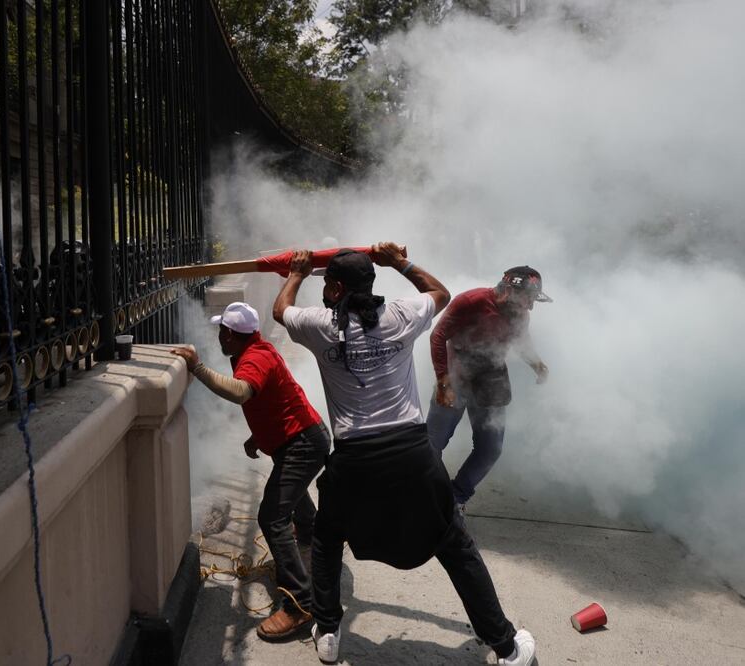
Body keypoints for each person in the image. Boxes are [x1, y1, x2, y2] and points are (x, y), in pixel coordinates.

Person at [274, 245, 536, 665]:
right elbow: (440, 292)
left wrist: (298, 272)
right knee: (454, 544)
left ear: (336, 287)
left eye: (327, 285)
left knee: (326, 540)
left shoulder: (319, 325)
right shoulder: (400, 315)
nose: (324, 291)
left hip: (354, 457)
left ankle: (327, 630)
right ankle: (506, 647)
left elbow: (280, 309)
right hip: (411, 454)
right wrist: (398, 262)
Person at [171, 302, 329, 641]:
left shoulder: (255, 357)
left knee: (272, 516)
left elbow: (242, 392)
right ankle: (312, 545)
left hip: (302, 443)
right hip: (299, 439)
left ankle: (300, 603)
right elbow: (273, 398)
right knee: (292, 497)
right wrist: (260, 435)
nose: (219, 337)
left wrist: (197, 367)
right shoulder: (258, 349)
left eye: (221, 332)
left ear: (230, 334)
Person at [427, 266, 551, 514]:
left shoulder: (520, 315)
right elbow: (438, 337)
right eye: (528, 298)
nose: (530, 306)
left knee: (491, 448)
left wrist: (536, 363)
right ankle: (428, 497)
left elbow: (521, 340)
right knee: (432, 444)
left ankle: (456, 498)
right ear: (509, 290)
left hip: (492, 377)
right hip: (456, 374)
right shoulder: (470, 301)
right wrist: (443, 381)